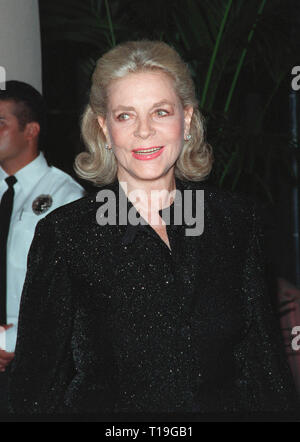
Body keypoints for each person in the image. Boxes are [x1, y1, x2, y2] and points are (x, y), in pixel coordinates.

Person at [9, 42, 299, 416]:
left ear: (187, 118)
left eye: (160, 112)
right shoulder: (66, 235)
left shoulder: (236, 221)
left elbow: (264, 366)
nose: (144, 131)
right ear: (104, 128)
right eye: (125, 116)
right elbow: (36, 387)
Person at [0, 81, 85, 413]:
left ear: (30, 130)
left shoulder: (66, 196)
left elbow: (70, 291)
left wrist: (10, 341)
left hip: (35, 356)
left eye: (1, 123)